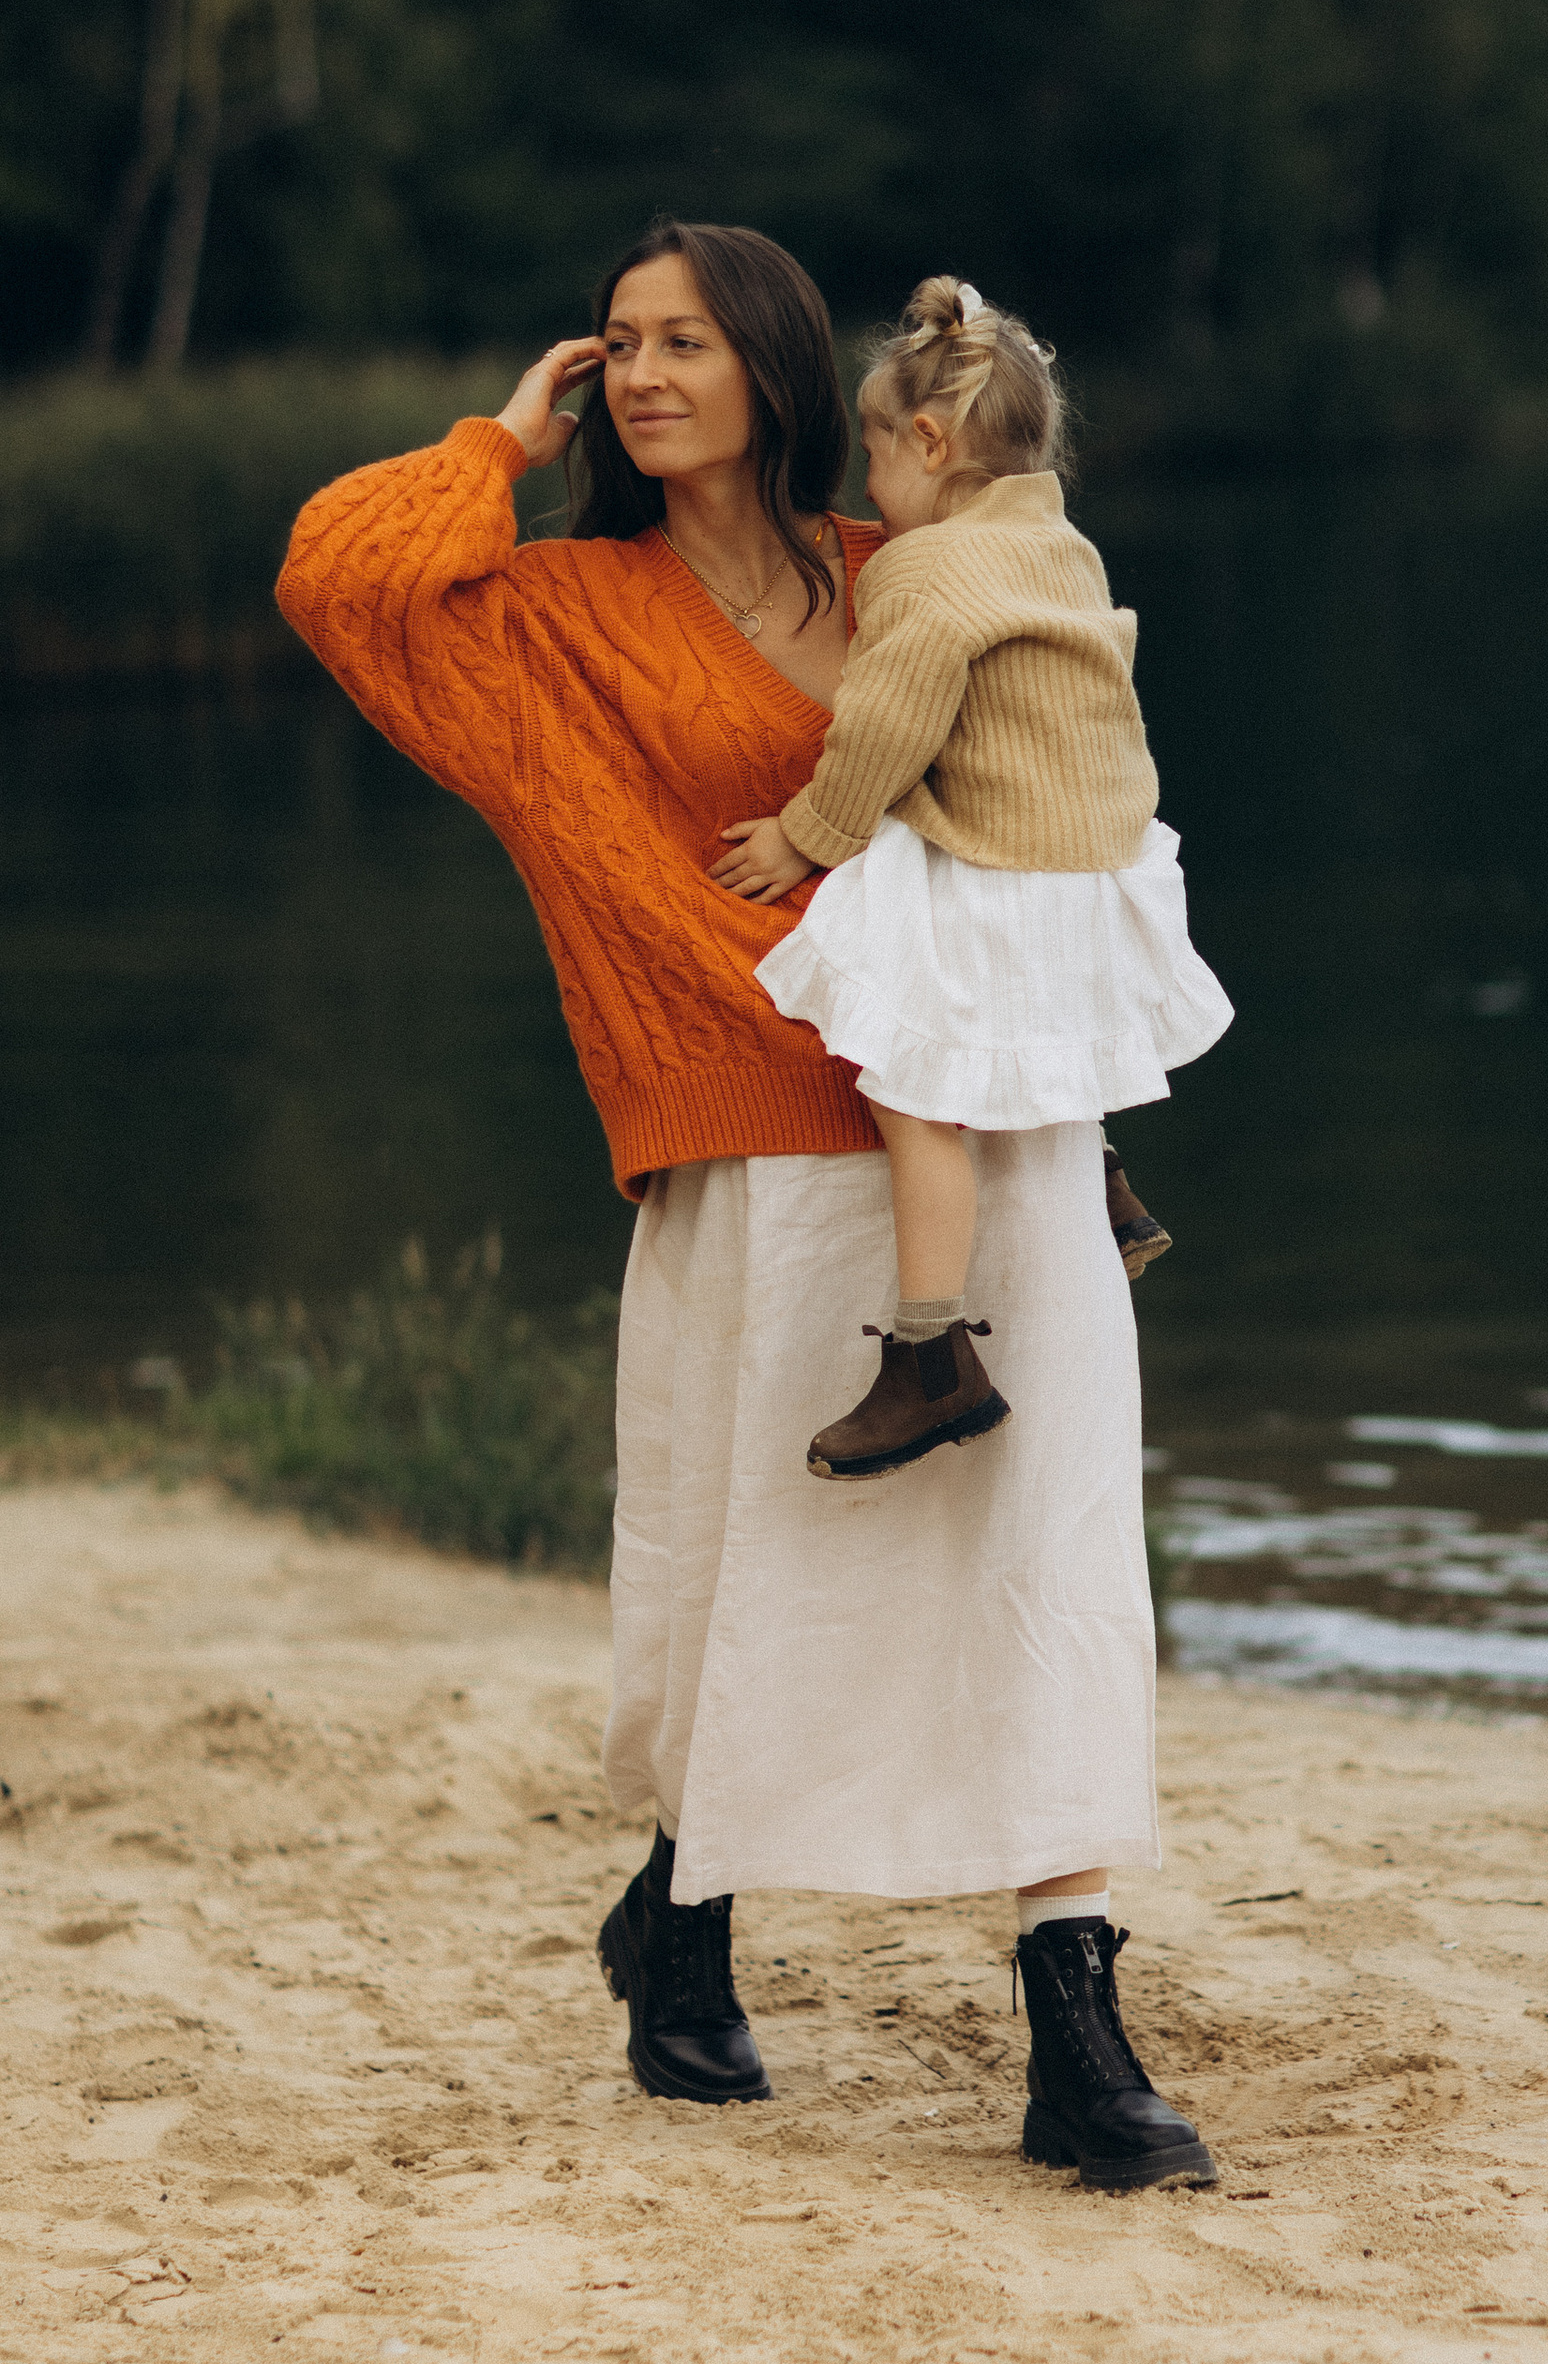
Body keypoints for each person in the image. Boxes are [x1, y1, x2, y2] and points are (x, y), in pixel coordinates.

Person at [275, 218, 1217, 2191]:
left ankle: (1075, 2025)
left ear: (776, 364)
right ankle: (684, 1922)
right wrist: (497, 442)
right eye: (615, 344)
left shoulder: (910, 561)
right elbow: (335, 578)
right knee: (760, 1568)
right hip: (759, 1135)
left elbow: (1074, 771)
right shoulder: (557, 613)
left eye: (681, 339)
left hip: (989, 1124)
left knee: (1043, 1553)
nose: (639, 373)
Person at [712, 274, 1232, 1480]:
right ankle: (1102, 1179)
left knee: (909, 1089)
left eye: (876, 458)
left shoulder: (925, 572)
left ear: (931, 442)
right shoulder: (1059, 548)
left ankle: (931, 1358)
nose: (866, 491)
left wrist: (807, 834)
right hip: (1105, 865)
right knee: (1027, 1003)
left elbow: (885, 728)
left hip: (1006, 863)